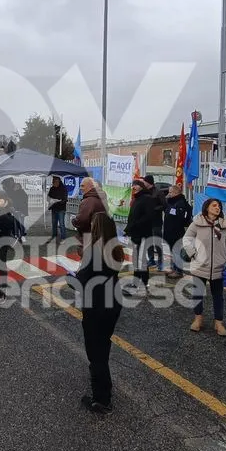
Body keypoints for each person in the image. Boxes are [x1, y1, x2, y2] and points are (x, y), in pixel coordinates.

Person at [73, 212, 124, 415]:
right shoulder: (116, 249)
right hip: (113, 301)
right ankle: (104, 386)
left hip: (97, 305)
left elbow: (80, 282)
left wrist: (71, 276)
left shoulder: (93, 251)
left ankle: (101, 399)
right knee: (103, 344)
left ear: (96, 228)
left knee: (95, 353)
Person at [182, 197, 226, 335]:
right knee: (198, 294)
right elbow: (187, 239)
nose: (217, 208)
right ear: (207, 208)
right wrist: (193, 253)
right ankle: (198, 319)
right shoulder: (197, 222)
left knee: (218, 296)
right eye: (214, 205)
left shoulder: (225, 224)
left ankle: (218, 322)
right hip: (200, 265)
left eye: (219, 206)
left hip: (218, 266)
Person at [123, 178, 156, 291]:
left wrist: (135, 225)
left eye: (136, 185)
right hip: (136, 234)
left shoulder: (147, 198)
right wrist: (128, 229)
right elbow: (132, 217)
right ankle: (141, 282)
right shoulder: (137, 199)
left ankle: (140, 283)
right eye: (133, 185)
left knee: (140, 260)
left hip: (143, 234)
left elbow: (149, 216)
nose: (133, 187)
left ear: (141, 187)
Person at [163, 184, 193, 280]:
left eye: (170, 192)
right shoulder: (171, 202)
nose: (169, 194)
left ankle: (178, 271)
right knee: (173, 251)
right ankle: (174, 268)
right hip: (169, 231)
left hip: (176, 232)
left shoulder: (180, 203)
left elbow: (181, 219)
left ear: (176, 193)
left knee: (177, 251)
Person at [143, 175, 167, 271]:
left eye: (144, 181)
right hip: (146, 222)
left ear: (148, 182)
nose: (143, 183)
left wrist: (154, 209)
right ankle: (151, 259)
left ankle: (160, 262)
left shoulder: (158, 192)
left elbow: (164, 205)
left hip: (156, 221)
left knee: (157, 241)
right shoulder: (144, 192)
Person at [47, 176, 68, 243]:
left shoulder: (64, 188)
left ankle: (63, 238)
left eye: (54, 182)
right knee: (54, 223)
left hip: (61, 209)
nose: (53, 183)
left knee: (61, 224)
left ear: (58, 181)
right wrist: (50, 200)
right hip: (54, 208)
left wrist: (58, 201)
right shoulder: (52, 188)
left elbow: (65, 199)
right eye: (53, 182)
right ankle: (54, 236)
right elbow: (48, 197)